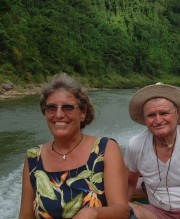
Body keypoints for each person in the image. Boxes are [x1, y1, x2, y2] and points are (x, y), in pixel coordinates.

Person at [19, 73, 130, 219]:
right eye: (51, 108)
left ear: (83, 113)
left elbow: (122, 211)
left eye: (68, 107)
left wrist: (93, 213)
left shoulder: (105, 149)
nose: (58, 114)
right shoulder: (33, 158)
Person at [125, 83, 180, 219]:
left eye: (164, 113)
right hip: (156, 212)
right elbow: (130, 182)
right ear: (144, 119)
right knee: (122, 209)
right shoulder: (136, 145)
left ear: (177, 114)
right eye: (151, 115)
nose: (158, 120)